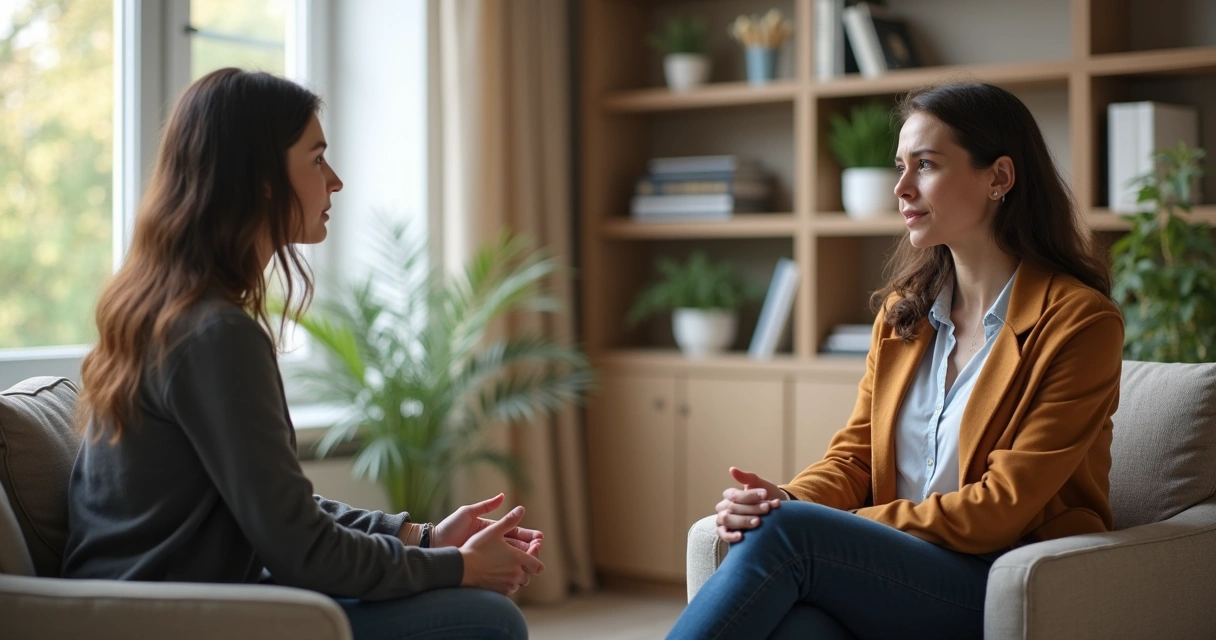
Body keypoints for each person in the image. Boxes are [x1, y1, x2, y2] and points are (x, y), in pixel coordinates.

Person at [62, 68, 540, 640]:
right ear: (261, 179)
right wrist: (459, 568)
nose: (334, 180)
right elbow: (302, 550)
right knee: (485, 620)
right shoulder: (213, 333)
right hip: (169, 619)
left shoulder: (164, 309)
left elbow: (287, 514)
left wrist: (424, 537)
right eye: (317, 159)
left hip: (178, 597)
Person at [669, 82, 1124, 639]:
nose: (901, 188)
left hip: (1000, 578)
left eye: (925, 165)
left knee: (788, 537)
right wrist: (786, 498)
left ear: (999, 178)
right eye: (900, 167)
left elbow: (1001, 508)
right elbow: (856, 457)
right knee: (800, 628)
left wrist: (825, 526)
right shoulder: (902, 316)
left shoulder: (1079, 323)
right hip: (897, 573)